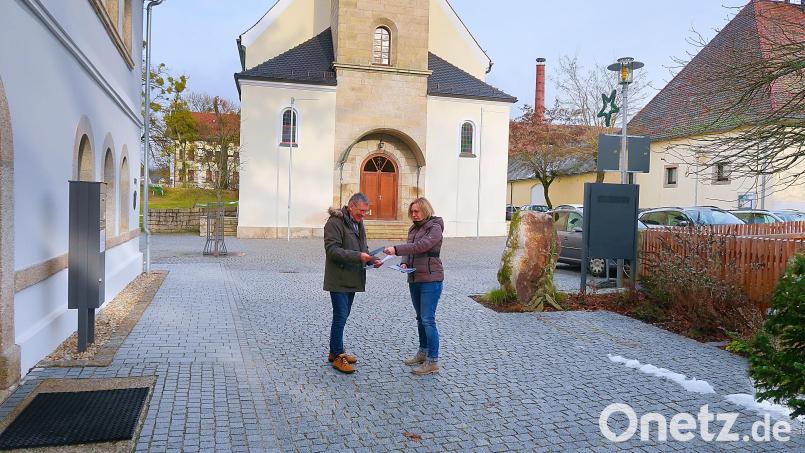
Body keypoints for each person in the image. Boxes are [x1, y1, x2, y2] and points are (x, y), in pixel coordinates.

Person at [384, 197, 444, 375]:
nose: (413, 214)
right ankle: (423, 352)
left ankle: (432, 361)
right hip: (414, 277)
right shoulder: (413, 228)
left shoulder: (435, 227)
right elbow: (411, 247)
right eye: (412, 211)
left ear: (426, 210)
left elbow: (421, 246)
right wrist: (403, 262)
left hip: (431, 279)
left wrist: (396, 249)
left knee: (428, 319)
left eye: (417, 211)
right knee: (420, 319)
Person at [324, 193, 381, 374]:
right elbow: (332, 250)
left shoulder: (358, 222)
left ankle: (335, 351)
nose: (364, 214)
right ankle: (338, 355)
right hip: (339, 278)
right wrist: (358, 256)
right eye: (361, 211)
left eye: (366, 211)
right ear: (351, 206)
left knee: (343, 316)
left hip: (353, 277)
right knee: (340, 316)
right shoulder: (334, 223)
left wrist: (371, 259)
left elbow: (362, 248)